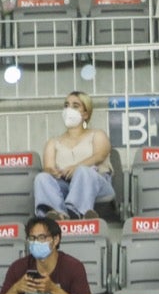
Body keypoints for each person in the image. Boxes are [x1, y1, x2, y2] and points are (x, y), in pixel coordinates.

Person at [35, 92, 115, 221]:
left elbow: (100, 156)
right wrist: (53, 172)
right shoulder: (53, 142)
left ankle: (77, 212)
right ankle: (58, 214)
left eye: (75, 106)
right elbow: (48, 168)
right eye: (66, 105)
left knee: (83, 171)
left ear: (86, 114)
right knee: (41, 178)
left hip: (97, 183)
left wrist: (76, 167)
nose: (69, 109)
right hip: (66, 185)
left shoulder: (97, 134)